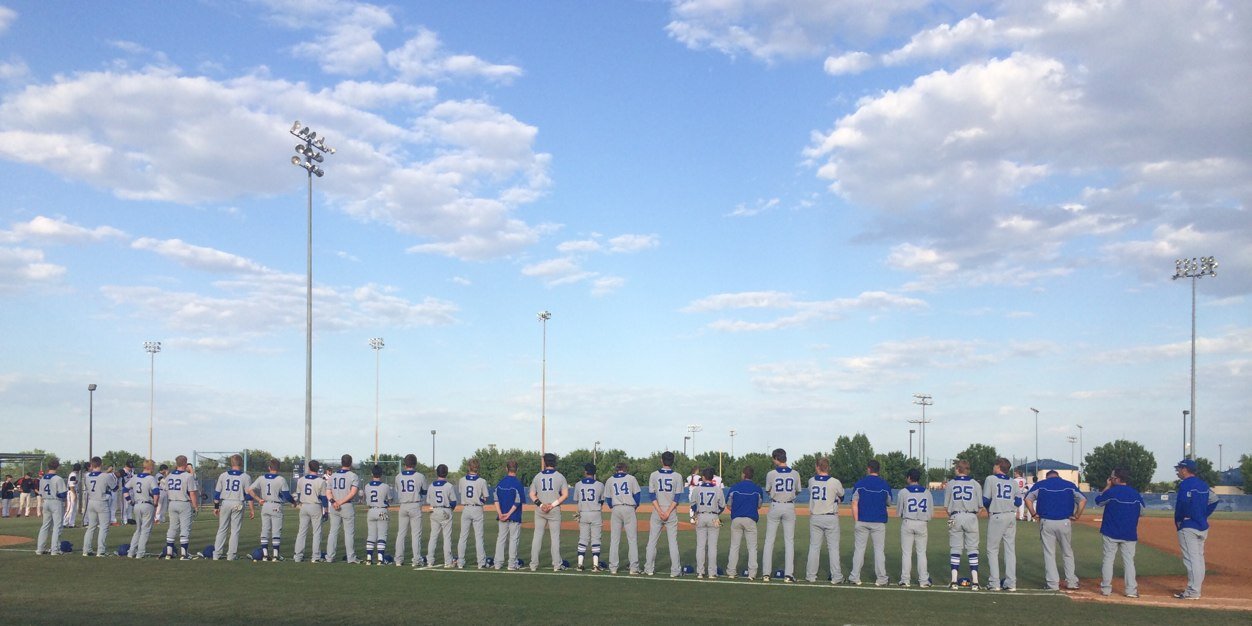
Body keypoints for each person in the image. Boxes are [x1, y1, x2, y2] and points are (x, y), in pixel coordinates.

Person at [1023, 469, 1085, 591]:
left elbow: (1027, 499)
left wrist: (1034, 514)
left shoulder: (1041, 484)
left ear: (1047, 477)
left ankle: (1052, 584)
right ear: (1058, 476)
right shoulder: (1069, 485)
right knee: (1067, 552)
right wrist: (1077, 515)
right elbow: (1083, 500)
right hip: (1065, 522)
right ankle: (1071, 582)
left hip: (1047, 522)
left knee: (1049, 553)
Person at [1095, 467, 1144, 598]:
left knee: (1108, 560)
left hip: (1110, 531)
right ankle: (1131, 590)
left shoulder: (1111, 492)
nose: (1110, 479)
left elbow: (1098, 501)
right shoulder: (1135, 493)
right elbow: (1142, 511)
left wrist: (1107, 486)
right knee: (1129, 562)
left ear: (1116, 479)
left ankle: (1106, 589)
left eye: (1112, 477)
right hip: (1129, 533)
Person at [1173, 458, 1219, 600]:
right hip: (1202, 525)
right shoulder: (1203, 484)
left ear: (1185, 469)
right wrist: (1203, 515)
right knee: (1198, 558)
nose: (1178, 471)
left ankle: (1193, 591)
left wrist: (1179, 520)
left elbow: (1182, 504)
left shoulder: (1185, 484)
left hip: (1189, 526)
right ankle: (1195, 589)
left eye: (1179, 468)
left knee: (1191, 560)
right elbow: (1215, 499)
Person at [849, 459, 892, 586]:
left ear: (868, 469)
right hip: (878, 521)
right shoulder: (884, 485)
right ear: (879, 470)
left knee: (859, 550)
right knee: (879, 551)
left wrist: (856, 520)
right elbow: (889, 502)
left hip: (862, 520)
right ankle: (881, 579)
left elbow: (854, 502)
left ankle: (854, 577)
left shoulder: (860, 483)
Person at [945, 459, 984, 589]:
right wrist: (971, 516)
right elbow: (980, 507)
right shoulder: (976, 484)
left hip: (955, 516)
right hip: (971, 516)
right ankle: (976, 582)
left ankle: (954, 581)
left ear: (958, 469)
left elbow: (946, 507)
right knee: (973, 549)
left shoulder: (951, 483)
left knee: (955, 548)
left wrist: (954, 516)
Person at [762, 448, 801, 582]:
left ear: (776, 458)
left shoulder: (771, 474)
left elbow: (768, 490)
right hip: (789, 506)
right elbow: (798, 491)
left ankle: (766, 574)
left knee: (769, 540)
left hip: (775, 505)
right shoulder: (795, 473)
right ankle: (788, 575)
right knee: (789, 541)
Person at [983, 457, 1021, 592]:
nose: (993, 467)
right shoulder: (1013, 482)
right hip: (1010, 516)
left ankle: (994, 582)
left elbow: (985, 500)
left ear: (998, 466)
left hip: (997, 515)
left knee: (992, 550)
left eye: (995, 465)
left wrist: (990, 508)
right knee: (1010, 549)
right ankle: (1011, 583)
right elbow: (1018, 501)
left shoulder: (990, 479)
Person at [805, 457, 845, 584]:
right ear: (828, 467)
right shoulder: (835, 482)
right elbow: (842, 496)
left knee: (814, 547)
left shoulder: (811, 481)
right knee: (833, 548)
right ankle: (836, 577)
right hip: (830, 517)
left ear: (818, 467)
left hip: (815, 516)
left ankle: (811, 576)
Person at [529, 452, 569, 572]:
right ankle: (557, 565)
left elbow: (532, 494)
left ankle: (533, 565)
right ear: (555, 462)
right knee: (555, 538)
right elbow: (565, 495)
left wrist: (541, 505)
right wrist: (552, 505)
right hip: (554, 509)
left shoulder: (537, 476)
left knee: (537, 536)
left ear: (545, 462)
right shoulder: (560, 476)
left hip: (540, 510)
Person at [645, 451, 682, 577]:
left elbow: (652, 495)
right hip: (671, 511)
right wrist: (667, 512)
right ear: (673, 461)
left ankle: (649, 569)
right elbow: (677, 497)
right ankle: (675, 571)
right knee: (673, 542)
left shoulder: (654, 475)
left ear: (661, 460)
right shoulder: (677, 476)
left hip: (657, 510)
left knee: (652, 541)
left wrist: (660, 511)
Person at [212, 454, 255, 560]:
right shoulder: (246, 477)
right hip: (238, 502)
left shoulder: (223, 475)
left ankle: (216, 554)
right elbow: (249, 495)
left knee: (222, 529)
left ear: (231, 463)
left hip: (225, 502)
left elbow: (217, 494)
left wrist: (216, 507)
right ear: (241, 463)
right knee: (235, 530)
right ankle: (231, 555)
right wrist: (252, 509)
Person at [248, 458, 292, 562]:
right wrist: (294, 502)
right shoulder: (281, 479)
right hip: (276, 505)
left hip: (265, 505)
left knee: (265, 530)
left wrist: (258, 499)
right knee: (276, 531)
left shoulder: (261, 478)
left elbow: (249, 490)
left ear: (269, 468)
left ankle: (265, 555)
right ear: (278, 468)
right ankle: (275, 556)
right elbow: (287, 495)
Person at [726, 466, 763, 580]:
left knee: (734, 546)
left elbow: (728, 505)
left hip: (736, 519)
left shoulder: (734, 487)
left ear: (743, 474)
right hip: (750, 519)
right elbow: (759, 505)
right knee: (752, 548)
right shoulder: (757, 489)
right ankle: (752, 574)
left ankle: (731, 572)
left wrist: (737, 509)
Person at [604, 461, 641, 575]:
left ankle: (613, 568)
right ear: (626, 469)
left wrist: (613, 507)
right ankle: (633, 568)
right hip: (629, 507)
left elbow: (608, 499)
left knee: (614, 540)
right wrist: (634, 507)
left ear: (616, 469)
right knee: (632, 539)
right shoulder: (631, 478)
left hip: (616, 508)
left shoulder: (610, 480)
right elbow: (637, 496)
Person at [897, 468, 932, 587]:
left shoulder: (903, 492)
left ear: (909, 478)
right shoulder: (927, 492)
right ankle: (923, 580)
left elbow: (899, 511)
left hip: (908, 522)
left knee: (906, 553)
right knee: (921, 553)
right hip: (922, 523)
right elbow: (930, 512)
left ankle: (905, 580)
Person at [162, 455, 199, 560]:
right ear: (185, 463)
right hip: (184, 503)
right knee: (185, 528)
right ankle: (184, 554)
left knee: (172, 527)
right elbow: (192, 493)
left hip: (172, 503)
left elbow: (166, 489)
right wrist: (195, 506)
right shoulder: (188, 476)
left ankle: (169, 553)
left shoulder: (169, 476)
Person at [393, 454, 428, 568]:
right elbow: (424, 491)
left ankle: (398, 559)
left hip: (403, 505)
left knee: (401, 533)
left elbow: (397, 490)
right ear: (415, 463)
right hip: (415, 504)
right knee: (416, 534)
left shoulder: (398, 476)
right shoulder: (420, 476)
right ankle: (416, 559)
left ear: (405, 464)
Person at [326, 454, 361, 564]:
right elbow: (352, 493)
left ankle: (330, 557)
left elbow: (328, 492)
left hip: (334, 506)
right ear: (350, 463)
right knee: (349, 533)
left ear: (341, 462)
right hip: (346, 505)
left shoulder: (332, 476)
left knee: (333, 532)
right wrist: (340, 502)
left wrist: (333, 502)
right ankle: (351, 558)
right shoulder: (353, 476)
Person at [691, 467, 725, 579]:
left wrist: (697, 513)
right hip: (714, 516)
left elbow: (693, 504)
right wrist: (716, 513)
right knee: (713, 546)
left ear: (703, 477)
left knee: (700, 546)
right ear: (712, 477)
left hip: (700, 515)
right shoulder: (718, 489)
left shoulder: (697, 489)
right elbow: (722, 506)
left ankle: (700, 572)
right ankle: (712, 573)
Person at [292, 460, 329, 563]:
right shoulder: (321, 481)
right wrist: (326, 511)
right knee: (316, 532)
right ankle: (315, 557)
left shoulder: (301, 480)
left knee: (301, 532)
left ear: (309, 468)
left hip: (304, 506)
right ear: (318, 469)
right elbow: (324, 498)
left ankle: (298, 556)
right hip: (315, 506)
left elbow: (298, 495)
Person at [456, 458, 489, 569]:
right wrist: (479, 500)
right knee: (479, 537)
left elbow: (461, 492)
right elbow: (485, 497)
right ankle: (481, 563)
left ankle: (460, 562)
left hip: (466, 508)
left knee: (463, 537)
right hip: (477, 508)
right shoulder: (482, 481)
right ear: (478, 467)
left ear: (468, 467)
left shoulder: (462, 480)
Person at [493, 459, 525, 570]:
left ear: (506, 469)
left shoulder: (500, 483)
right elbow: (518, 501)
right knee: (513, 539)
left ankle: (497, 564)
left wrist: (500, 513)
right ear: (517, 469)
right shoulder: (518, 484)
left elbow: (496, 499)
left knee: (501, 539)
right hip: (514, 516)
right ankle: (512, 564)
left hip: (501, 516)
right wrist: (509, 514)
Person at [83, 457, 118, 557]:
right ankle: (101, 551)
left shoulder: (87, 476)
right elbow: (115, 487)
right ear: (100, 464)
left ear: (92, 465)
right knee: (103, 527)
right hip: (101, 501)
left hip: (91, 501)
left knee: (91, 527)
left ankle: (86, 550)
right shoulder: (105, 476)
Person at [126, 460, 161, 558]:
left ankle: (131, 552)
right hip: (147, 504)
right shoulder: (151, 478)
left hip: (137, 505)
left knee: (138, 530)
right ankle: (140, 553)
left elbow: (125, 489)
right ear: (150, 467)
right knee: (145, 530)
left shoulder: (135, 477)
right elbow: (156, 492)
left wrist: (129, 501)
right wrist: (155, 503)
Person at [572, 463, 604, 571]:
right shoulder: (600, 485)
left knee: (583, 538)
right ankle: (595, 565)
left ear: (585, 472)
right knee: (596, 539)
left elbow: (576, 500)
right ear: (594, 473)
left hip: (583, 513)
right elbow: (601, 501)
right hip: (596, 513)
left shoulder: (578, 485)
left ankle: (580, 564)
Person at [425, 464, 458, 568]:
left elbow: (428, 501)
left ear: (437, 473)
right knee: (447, 537)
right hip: (445, 510)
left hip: (434, 510)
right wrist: (449, 510)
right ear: (446, 473)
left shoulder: (431, 486)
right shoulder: (449, 486)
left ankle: (430, 561)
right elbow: (453, 502)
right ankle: (448, 562)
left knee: (433, 537)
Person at [35, 458, 68, 555]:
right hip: (56, 502)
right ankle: (55, 549)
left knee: (45, 526)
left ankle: (40, 549)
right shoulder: (58, 478)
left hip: (46, 502)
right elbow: (63, 494)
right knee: (57, 526)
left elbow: (41, 493)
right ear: (57, 466)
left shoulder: (43, 478)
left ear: (48, 466)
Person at [363, 464, 393, 565]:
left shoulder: (367, 486)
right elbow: (390, 499)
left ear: (372, 474)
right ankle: (380, 558)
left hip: (371, 511)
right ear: (381, 474)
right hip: (382, 511)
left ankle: (368, 558)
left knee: (371, 535)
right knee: (382, 534)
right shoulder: (385, 486)